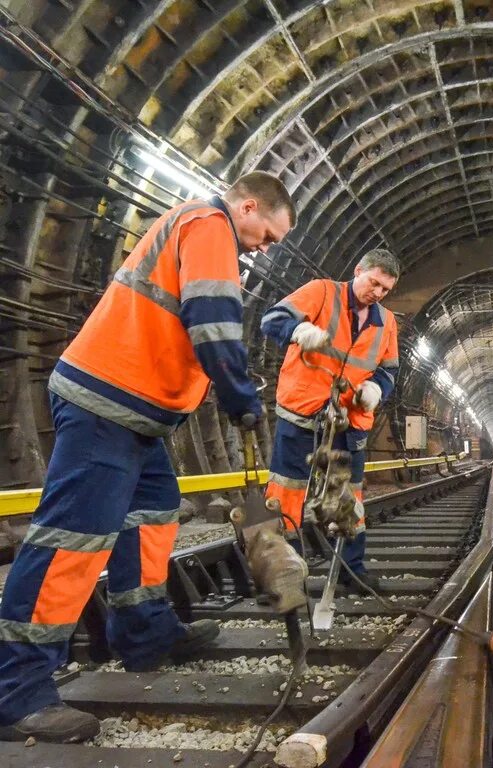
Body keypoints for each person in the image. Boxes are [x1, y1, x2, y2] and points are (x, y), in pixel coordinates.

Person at [0, 172, 296, 743]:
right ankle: (17, 692)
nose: (265, 247)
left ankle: (146, 634)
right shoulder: (210, 224)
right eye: (268, 234)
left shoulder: (201, 227)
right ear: (249, 206)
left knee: (155, 515)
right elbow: (212, 322)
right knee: (71, 539)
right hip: (106, 402)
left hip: (136, 415)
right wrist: (239, 395)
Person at [260, 249, 400, 591]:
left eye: (385, 289)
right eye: (374, 283)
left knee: (348, 499)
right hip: (302, 415)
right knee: (286, 493)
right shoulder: (321, 291)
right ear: (358, 271)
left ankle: (352, 570)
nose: (377, 293)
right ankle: (284, 575)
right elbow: (271, 320)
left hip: (349, 421)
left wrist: (377, 389)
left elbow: (390, 368)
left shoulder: (387, 321)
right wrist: (298, 330)